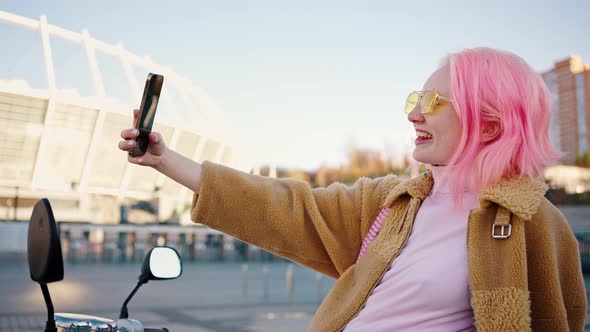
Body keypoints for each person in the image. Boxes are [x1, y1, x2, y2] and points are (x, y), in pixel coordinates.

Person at [118, 47, 587, 331]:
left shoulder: (537, 226)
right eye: (414, 99)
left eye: (433, 102)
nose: (413, 114)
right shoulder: (393, 201)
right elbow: (286, 208)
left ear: (490, 121)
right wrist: (166, 160)